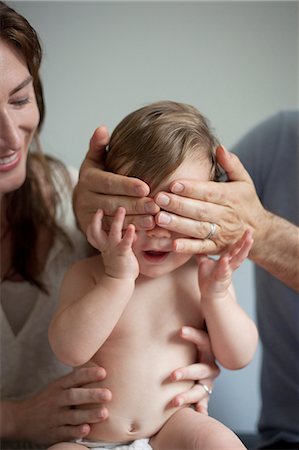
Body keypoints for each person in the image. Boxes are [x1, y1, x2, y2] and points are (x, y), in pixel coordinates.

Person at [0, 3, 219, 447]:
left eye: (19, 98)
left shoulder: (88, 202)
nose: (9, 135)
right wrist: (14, 419)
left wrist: (199, 351)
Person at [74, 110, 299, 450]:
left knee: (223, 443)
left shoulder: (201, 277)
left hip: (173, 428)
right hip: (93, 437)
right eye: (140, 210)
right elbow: (70, 350)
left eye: (178, 211)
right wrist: (116, 280)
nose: (158, 229)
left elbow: (238, 356)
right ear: (109, 200)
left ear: (207, 208)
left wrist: (218, 298)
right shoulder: (89, 273)